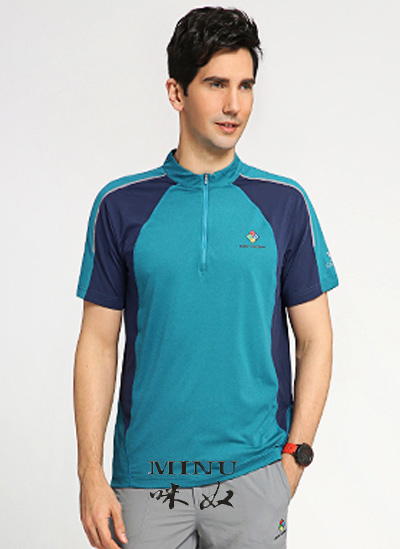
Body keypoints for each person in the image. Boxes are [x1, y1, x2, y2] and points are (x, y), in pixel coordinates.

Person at [73, 6, 339, 549]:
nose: (234, 105)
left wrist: (294, 460)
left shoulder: (284, 204)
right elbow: (98, 343)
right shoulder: (120, 206)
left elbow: (316, 339)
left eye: (245, 86)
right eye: (216, 84)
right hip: (146, 480)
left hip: (254, 475)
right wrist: (90, 474)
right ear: (177, 92)